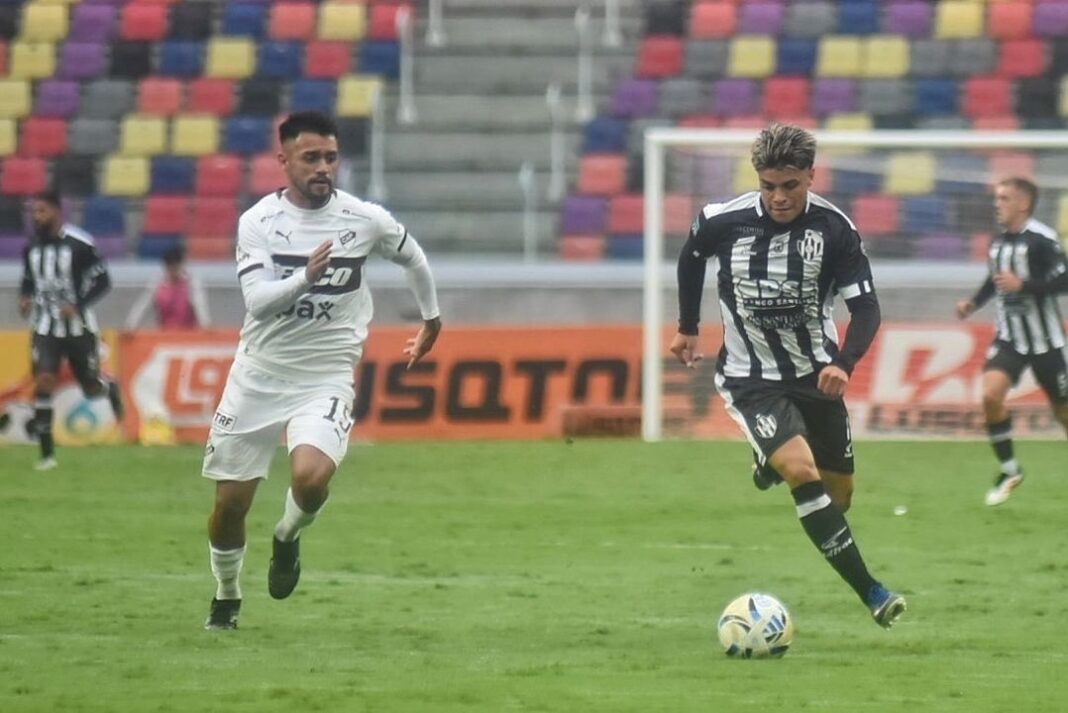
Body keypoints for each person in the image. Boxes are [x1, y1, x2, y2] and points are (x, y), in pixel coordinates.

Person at [202, 111, 442, 630]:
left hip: (326, 376)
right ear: (283, 160)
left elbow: (413, 258)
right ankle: (226, 596)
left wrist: (432, 318)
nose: (323, 167)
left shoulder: (363, 219)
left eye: (330, 157)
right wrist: (304, 279)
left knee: (311, 480)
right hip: (259, 374)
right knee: (229, 506)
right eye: (311, 157)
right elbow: (258, 302)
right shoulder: (258, 223)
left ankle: (286, 537)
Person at [669, 123, 906, 629]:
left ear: (810, 177)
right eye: (769, 185)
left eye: (790, 186)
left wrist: (844, 362)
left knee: (838, 498)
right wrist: (688, 327)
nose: (779, 197)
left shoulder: (835, 230)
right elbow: (690, 258)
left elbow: (866, 309)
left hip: (815, 373)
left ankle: (767, 460)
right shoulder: (720, 221)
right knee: (803, 471)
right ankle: (873, 593)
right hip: (749, 377)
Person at [955, 177, 1068, 506]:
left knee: (1063, 413)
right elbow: (995, 280)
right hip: (1010, 339)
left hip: (1046, 341)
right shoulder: (998, 243)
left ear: (1023, 203)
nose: (997, 204)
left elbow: (1065, 279)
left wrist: (1025, 285)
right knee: (991, 395)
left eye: (1004, 198)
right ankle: (1010, 469)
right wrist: (973, 303)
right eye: (997, 198)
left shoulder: (1043, 240)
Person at [17, 190, 124, 470]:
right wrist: (25, 298)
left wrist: (78, 304)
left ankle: (108, 387)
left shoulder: (80, 244)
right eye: (34, 212)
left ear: (55, 211)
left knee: (90, 387)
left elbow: (103, 280)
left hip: (79, 328)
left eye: (41, 211)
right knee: (44, 381)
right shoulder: (32, 248)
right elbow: (28, 280)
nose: (36, 217)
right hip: (45, 327)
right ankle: (47, 455)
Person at [125, 244, 212, 330]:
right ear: (165, 266)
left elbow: (200, 305)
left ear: (182, 264)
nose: (174, 270)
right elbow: (142, 305)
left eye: (176, 266)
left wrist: (205, 325)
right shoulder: (156, 283)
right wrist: (130, 324)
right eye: (170, 267)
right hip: (164, 335)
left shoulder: (193, 283)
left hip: (188, 335)